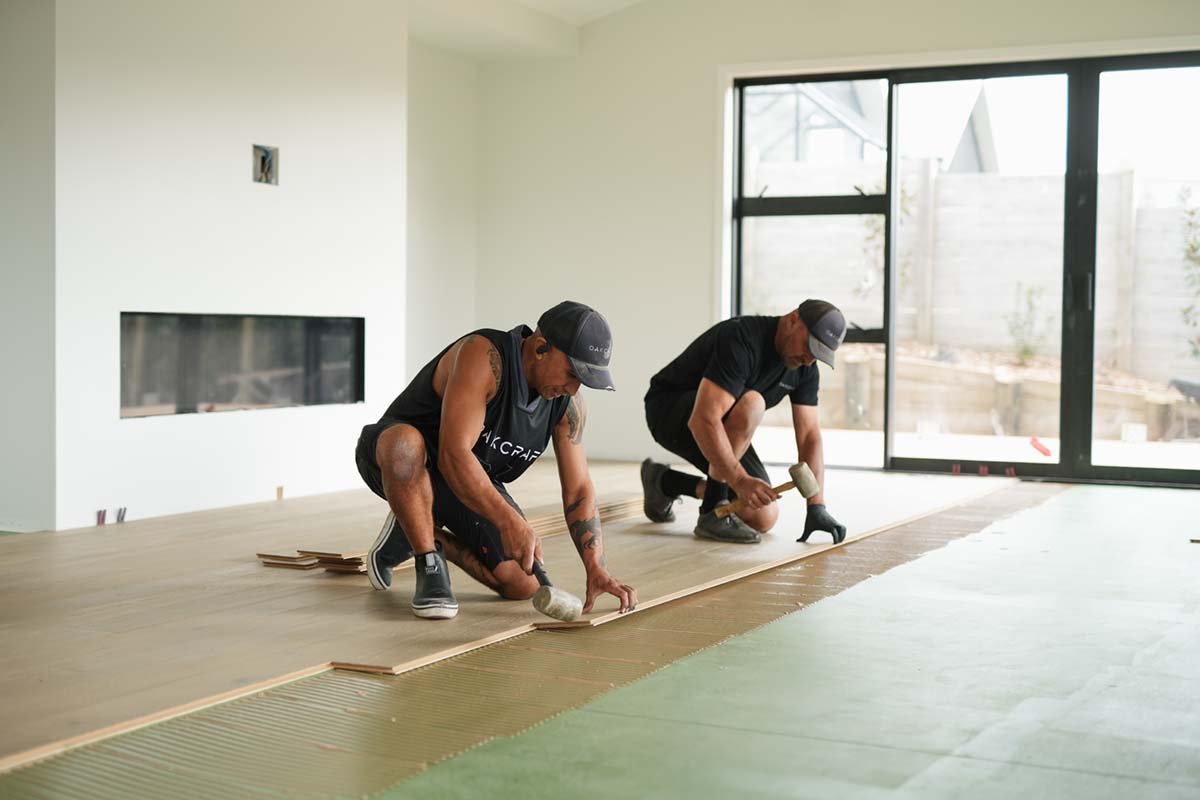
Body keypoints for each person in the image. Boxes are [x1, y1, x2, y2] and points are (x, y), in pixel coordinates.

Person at [355, 301, 637, 619]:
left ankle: (413, 530)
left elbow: (579, 490)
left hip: (465, 481)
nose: (573, 388)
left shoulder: (567, 406)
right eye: (572, 373)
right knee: (405, 443)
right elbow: (454, 454)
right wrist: (509, 522)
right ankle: (428, 560)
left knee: (522, 584)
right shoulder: (484, 357)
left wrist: (596, 567)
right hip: (398, 462)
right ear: (541, 348)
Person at [641, 299, 848, 545]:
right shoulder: (741, 337)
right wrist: (739, 480)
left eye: (818, 354)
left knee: (762, 515)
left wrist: (816, 505)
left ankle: (665, 482)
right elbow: (703, 419)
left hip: (719, 427)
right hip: (670, 413)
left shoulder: (805, 368)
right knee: (753, 403)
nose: (808, 359)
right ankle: (711, 513)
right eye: (809, 346)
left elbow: (809, 435)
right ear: (793, 319)